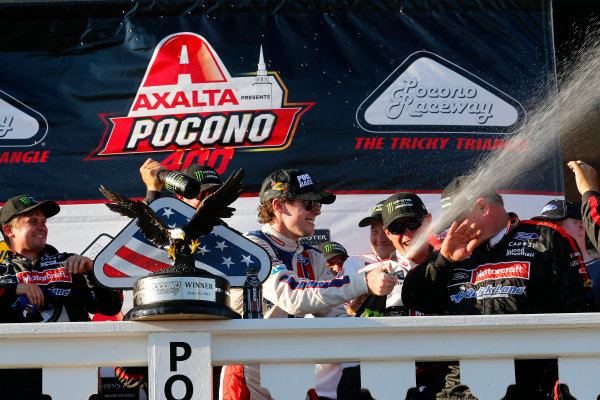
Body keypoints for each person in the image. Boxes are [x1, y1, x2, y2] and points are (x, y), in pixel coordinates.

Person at [402, 176, 596, 400]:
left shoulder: (546, 237)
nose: (453, 229)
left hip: (529, 390)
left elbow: (579, 313)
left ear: (483, 207)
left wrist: (559, 387)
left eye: (458, 219)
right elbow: (415, 299)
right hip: (460, 392)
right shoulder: (449, 252)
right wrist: (444, 260)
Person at [221, 168, 397, 400]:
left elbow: (336, 321)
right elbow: (292, 296)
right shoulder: (251, 247)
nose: (317, 210)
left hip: (295, 370)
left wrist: (364, 310)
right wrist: (363, 281)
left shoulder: (313, 257)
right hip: (252, 369)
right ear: (278, 205)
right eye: (308, 203)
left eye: (318, 203)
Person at [0, 194, 123, 399]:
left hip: (72, 370)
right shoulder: (2, 271)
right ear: (9, 230)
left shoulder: (69, 263)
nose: (42, 227)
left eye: (43, 222)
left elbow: (110, 307)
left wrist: (92, 272)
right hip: (15, 378)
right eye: (32, 222)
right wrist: (16, 289)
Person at [339, 192, 446, 400]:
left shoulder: (451, 265)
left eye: (413, 223)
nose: (407, 234)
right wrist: (367, 299)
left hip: (441, 378)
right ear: (388, 233)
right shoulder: (369, 275)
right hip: (387, 379)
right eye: (397, 228)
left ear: (427, 221)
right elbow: (350, 331)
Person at [338, 200, 395, 277]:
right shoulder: (355, 263)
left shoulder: (413, 264)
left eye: (386, 232)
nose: (380, 239)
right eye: (374, 232)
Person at [139, 158, 222, 207]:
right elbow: (141, 232)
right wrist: (152, 191)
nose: (210, 200)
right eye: (204, 195)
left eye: (215, 194)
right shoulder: (172, 224)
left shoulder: (224, 231)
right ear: (181, 197)